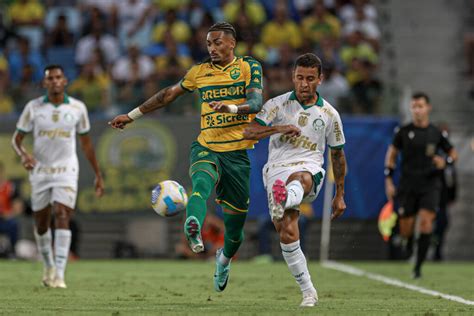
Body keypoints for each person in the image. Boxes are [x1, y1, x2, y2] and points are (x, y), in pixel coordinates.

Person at [109, 22, 263, 292]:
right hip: (207, 145)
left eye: (217, 42)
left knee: (235, 231)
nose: (212, 48)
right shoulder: (199, 72)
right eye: (208, 44)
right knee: (201, 185)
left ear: (232, 43)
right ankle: (193, 228)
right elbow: (167, 95)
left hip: (237, 154)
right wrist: (132, 116)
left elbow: (256, 103)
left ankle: (224, 260)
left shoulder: (249, 66)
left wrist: (228, 106)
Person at [243, 53, 347, 307]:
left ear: (320, 80)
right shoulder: (276, 105)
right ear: (293, 77)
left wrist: (339, 194)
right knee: (287, 232)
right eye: (299, 78)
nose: (304, 84)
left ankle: (286, 197)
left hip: (310, 170)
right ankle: (309, 291)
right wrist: (279, 128)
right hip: (276, 171)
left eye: (310, 79)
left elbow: (337, 155)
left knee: (299, 178)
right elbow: (249, 132)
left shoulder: (329, 114)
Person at [12, 65, 104, 288]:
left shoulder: (77, 108)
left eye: (58, 77)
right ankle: (48, 265)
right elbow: (16, 139)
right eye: (50, 78)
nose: (54, 81)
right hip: (41, 172)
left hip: (66, 170)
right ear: (44, 83)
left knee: (62, 214)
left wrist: (98, 175)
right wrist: (24, 155)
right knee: (42, 224)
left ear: (65, 81)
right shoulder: (33, 108)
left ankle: (60, 274)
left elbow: (86, 144)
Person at [384, 92, 457, 279]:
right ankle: (408, 243)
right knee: (406, 228)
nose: (417, 110)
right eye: (414, 106)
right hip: (408, 185)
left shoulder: (436, 132)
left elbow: (453, 153)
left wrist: (446, 161)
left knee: (426, 223)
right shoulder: (403, 131)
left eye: (421, 106)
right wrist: (389, 179)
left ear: (428, 108)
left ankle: (417, 267)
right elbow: (392, 154)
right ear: (411, 109)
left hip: (430, 184)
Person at [0, 161, 24, 258]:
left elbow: (18, 207)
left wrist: (9, 213)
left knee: (13, 224)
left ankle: (12, 251)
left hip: (6, 220)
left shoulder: (10, 187)